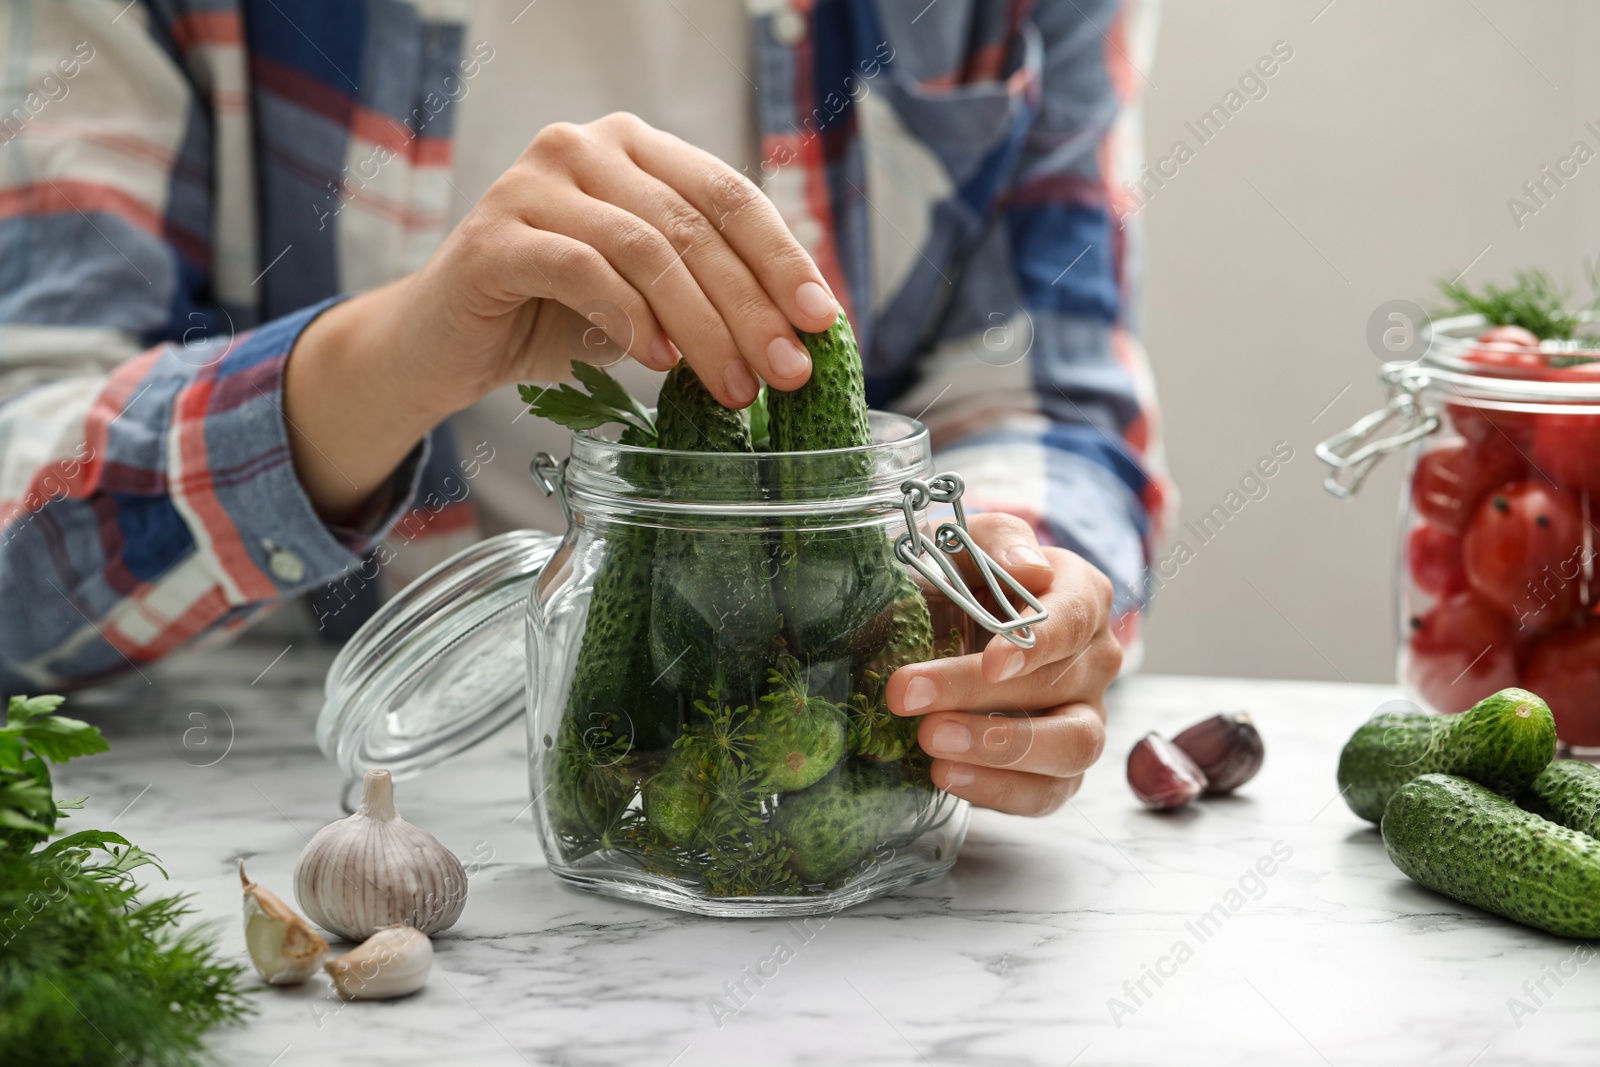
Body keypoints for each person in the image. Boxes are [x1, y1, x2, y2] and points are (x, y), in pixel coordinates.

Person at [0, 0, 1168, 817]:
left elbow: (1042, 385)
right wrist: (393, 355)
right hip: (259, 741)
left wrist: (1002, 585)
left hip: (812, 696)